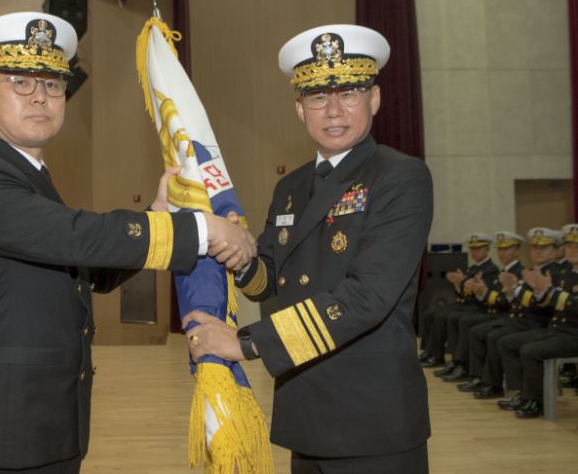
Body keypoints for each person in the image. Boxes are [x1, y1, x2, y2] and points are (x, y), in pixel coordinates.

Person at [0, 12, 256, 473]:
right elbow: (74, 236)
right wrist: (202, 231)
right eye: (20, 84)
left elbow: (91, 271)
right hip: (6, 431)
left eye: (52, 85)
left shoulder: (32, 179)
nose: (40, 97)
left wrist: (158, 214)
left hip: (52, 422)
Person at [183, 24, 433, 473]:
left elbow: (366, 299)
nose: (334, 111)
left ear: (374, 99)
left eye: (349, 94)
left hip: (372, 419)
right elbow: (269, 278)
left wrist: (246, 343)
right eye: (318, 97)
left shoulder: (400, 177)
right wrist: (239, 256)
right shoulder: (291, 187)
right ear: (300, 109)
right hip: (305, 408)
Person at [470, 227, 562, 400]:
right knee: (492, 335)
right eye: (535, 247)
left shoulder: (555, 272)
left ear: (555, 250)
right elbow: (518, 302)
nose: (538, 251)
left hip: (540, 323)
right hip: (523, 320)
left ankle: (515, 390)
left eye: (544, 248)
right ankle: (495, 383)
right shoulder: (533, 271)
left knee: (501, 339)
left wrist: (515, 289)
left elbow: (544, 305)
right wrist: (513, 290)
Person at [496, 223, 578, 417]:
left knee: (531, 351)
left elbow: (571, 305)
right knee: (510, 342)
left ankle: (535, 401)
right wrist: (541, 291)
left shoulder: (562, 272)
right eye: (569, 246)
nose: (572, 250)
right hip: (560, 329)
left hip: (574, 333)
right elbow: (550, 302)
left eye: (577, 246)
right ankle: (522, 393)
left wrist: (548, 291)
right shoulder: (568, 273)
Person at [453, 231, 524, 389]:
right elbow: (496, 298)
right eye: (500, 249)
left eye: (507, 249)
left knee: (480, 331)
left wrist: (484, 292)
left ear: (518, 251)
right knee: (475, 330)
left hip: (508, 317)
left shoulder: (519, 272)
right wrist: (481, 292)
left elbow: (504, 302)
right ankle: (477, 375)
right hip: (499, 314)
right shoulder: (503, 271)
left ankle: (486, 379)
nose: (502, 253)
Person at [421, 233, 498, 370]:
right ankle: (430, 351)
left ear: (487, 249)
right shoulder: (473, 268)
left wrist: (465, 283)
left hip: (477, 307)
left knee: (446, 317)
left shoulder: (491, 269)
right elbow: (463, 292)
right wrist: (458, 284)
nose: (474, 252)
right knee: (430, 314)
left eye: (478, 249)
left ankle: (452, 359)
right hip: (465, 305)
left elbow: (482, 296)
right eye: (472, 249)